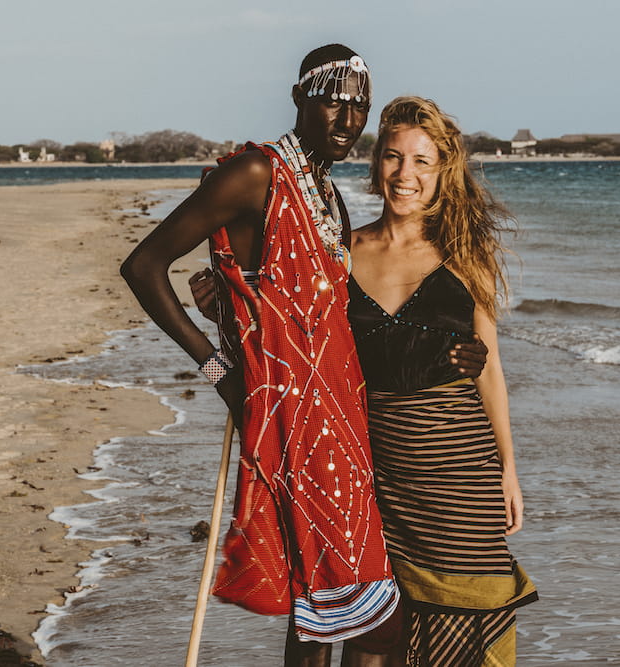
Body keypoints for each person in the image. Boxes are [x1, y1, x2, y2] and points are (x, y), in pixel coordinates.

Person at [121, 45, 484, 667]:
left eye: (359, 108)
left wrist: (441, 355)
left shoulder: (328, 195)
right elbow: (143, 266)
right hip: (294, 423)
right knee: (376, 621)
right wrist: (220, 370)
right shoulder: (255, 173)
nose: (347, 122)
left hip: (342, 417)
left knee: (321, 608)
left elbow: (309, 311)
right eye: (332, 103)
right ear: (298, 99)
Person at [193, 96, 537, 665]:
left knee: (472, 614)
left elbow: (491, 368)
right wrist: (229, 313)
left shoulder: (464, 254)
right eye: (395, 158)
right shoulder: (341, 252)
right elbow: (292, 337)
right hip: (369, 472)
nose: (406, 175)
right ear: (377, 164)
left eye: (423, 162)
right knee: (377, 625)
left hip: (458, 471)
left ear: (442, 172)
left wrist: (508, 467)